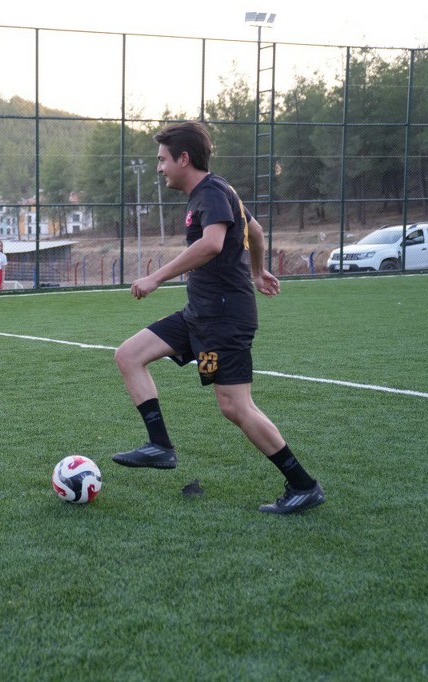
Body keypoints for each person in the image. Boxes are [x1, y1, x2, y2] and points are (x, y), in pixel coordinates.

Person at [110, 121, 324, 515]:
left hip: (224, 318)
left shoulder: (210, 193)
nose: (159, 168)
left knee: (235, 406)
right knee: (128, 355)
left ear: (183, 159)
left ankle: (303, 484)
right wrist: (257, 271)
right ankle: (160, 446)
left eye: (162, 160)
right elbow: (254, 230)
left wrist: (156, 277)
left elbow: (212, 244)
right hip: (200, 314)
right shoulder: (217, 191)